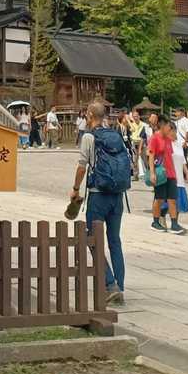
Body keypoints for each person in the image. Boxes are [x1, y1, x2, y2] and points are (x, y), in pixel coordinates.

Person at [69, 99, 130, 305]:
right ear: (104, 116)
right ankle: (119, 287)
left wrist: (75, 188)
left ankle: (110, 285)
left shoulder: (89, 137)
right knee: (115, 241)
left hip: (98, 195)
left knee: (92, 239)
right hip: (117, 196)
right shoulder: (116, 135)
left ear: (89, 115)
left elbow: (82, 166)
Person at [145, 115, 188, 235]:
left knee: (172, 199)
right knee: (159, 198)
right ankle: (155, 222)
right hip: (161, 173)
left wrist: (177, 173)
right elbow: (151, 156)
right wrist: (152, 173)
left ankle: (174, 224)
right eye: (168, 126)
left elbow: (170, 155)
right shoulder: (154, 138)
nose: (170, 128)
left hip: (171, 173)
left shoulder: (168, 139)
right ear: (162, 125)